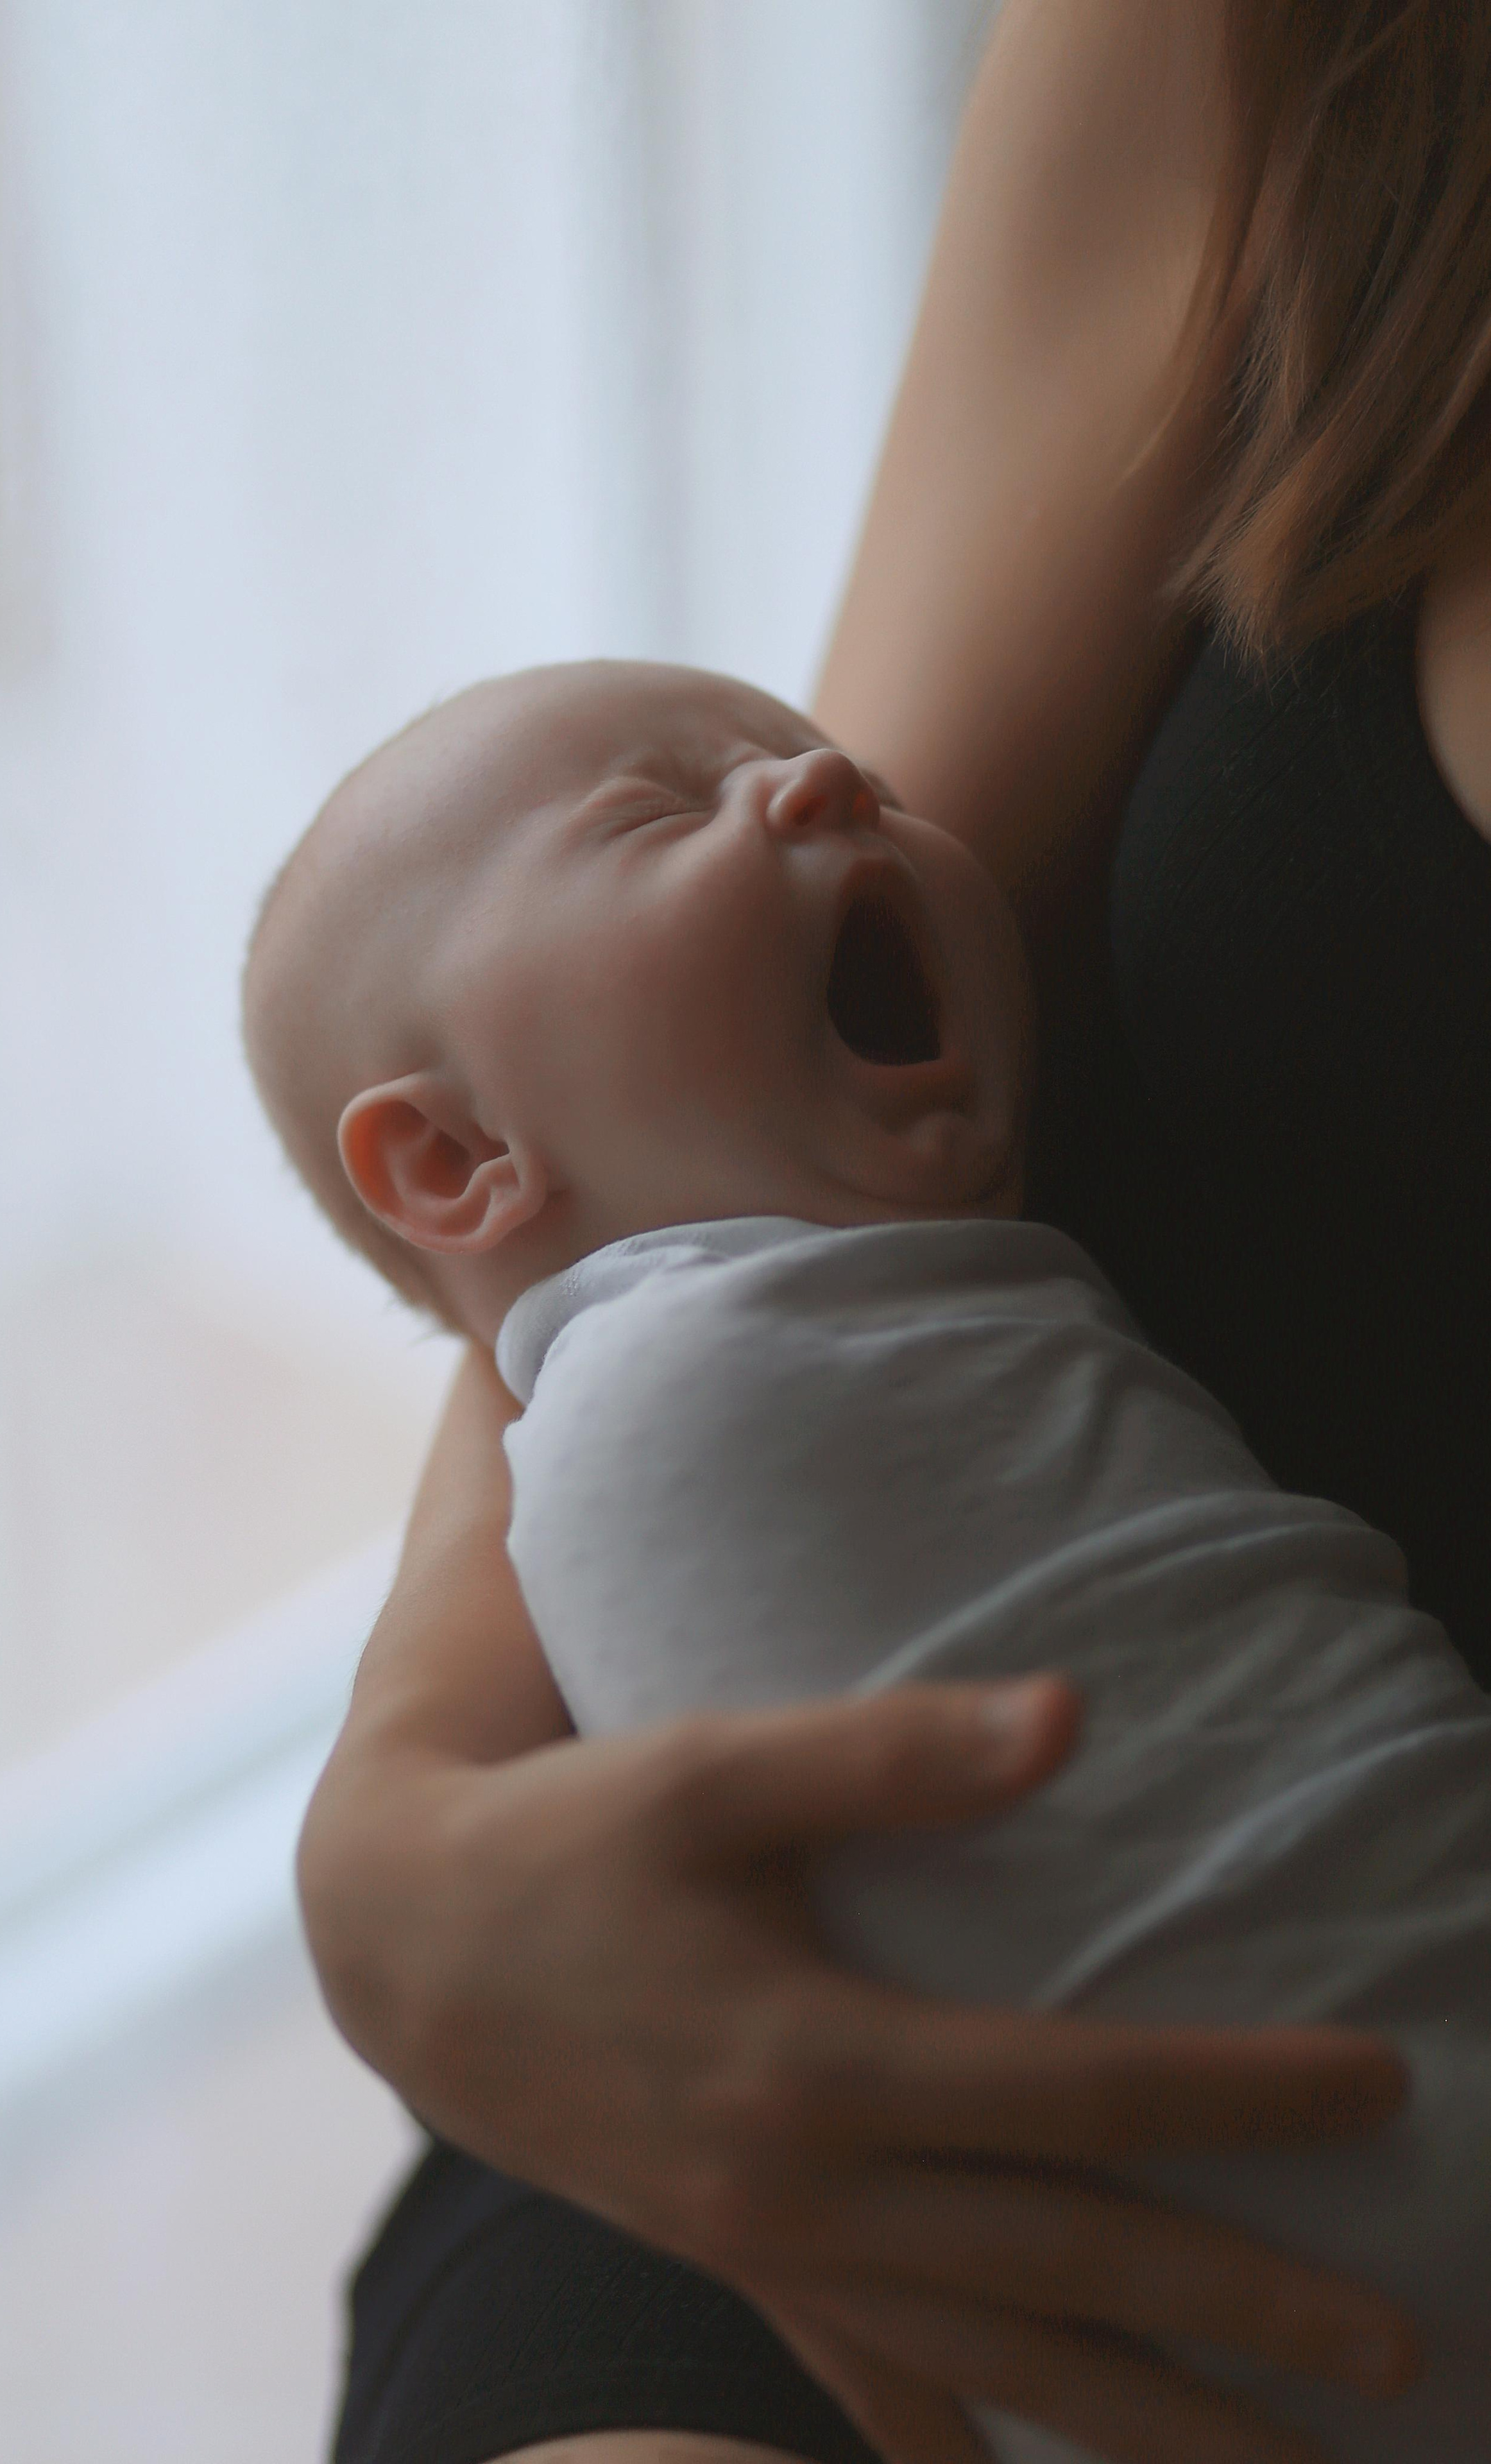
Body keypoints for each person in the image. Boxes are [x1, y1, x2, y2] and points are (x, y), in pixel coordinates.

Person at [281, 5, 1491, 2460]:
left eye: (765, 771)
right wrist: (407, 1838)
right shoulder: (1297, 49)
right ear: (447, 1176)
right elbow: (660, 1183)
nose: (817, 784)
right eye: (678, 801)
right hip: (790, 2075)